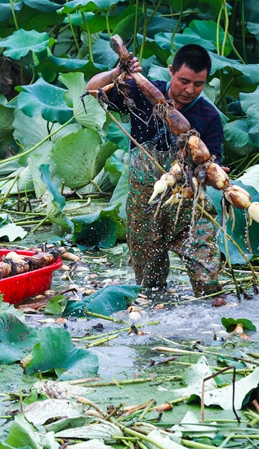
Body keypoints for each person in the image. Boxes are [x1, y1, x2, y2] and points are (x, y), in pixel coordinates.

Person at [86, 44, 224, 297]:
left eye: (198, 84)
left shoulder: (209, 116)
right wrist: (119, 71)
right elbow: (93, 89)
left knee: (209, 282)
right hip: (144, 208)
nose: (189, 90)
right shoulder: (142, 94)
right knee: (149, 288)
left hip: (188, 207)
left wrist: (212, 171)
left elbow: (212, 164)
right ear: (171, 71)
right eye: (184, 81)